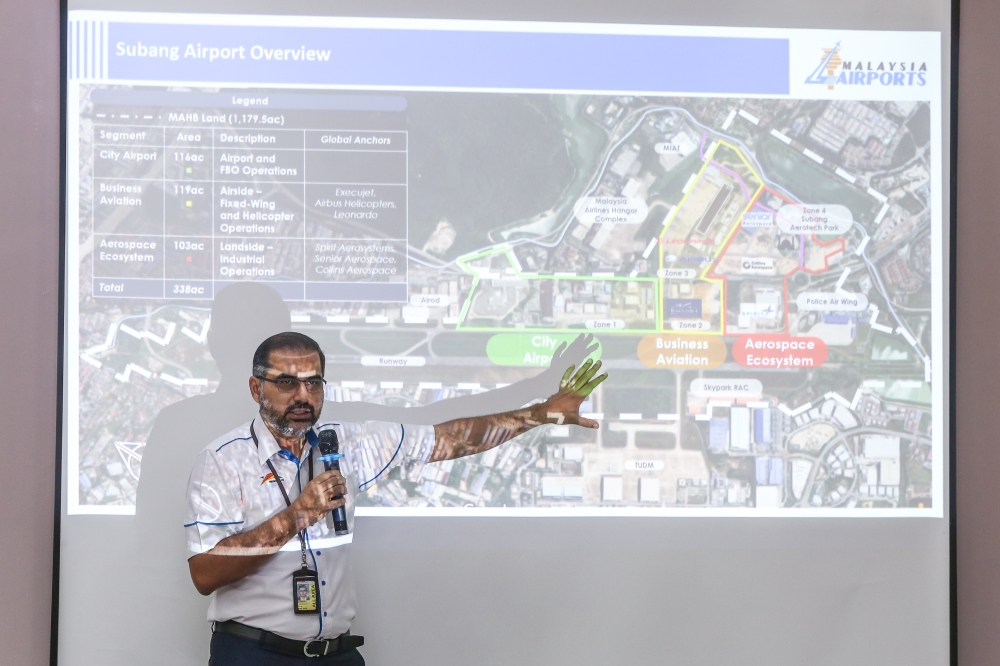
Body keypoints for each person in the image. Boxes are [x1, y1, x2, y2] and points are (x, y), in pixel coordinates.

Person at [134, 282, 599, 666]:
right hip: (254, 655)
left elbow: (449, 435)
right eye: (287, 383)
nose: (304, 394)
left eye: (314, 382)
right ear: (256, 387)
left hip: (336, 654)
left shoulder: (349, 443)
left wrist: (539, 413)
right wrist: (297, 515)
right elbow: (204, 573)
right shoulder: (220, 459)